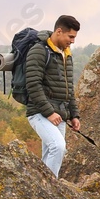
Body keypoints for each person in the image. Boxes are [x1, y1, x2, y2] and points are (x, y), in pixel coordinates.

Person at [23, 15, 81, 176]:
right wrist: (49, 112)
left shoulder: (66, 54)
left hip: (60, 114)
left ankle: (40, 190)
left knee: (51, 154)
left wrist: (74, 115)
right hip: (40, 112)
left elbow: (69, 88)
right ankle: (48, 191)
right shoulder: (39, 51)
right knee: (58, 146)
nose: (73, 41)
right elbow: (33, 85)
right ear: (59, 31)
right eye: (70, 36)